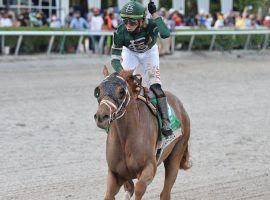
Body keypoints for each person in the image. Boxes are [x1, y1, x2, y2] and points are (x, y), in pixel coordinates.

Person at [111, 0, 173, 137]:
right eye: (125, 21)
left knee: (156, 87)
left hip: (149, 53)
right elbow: (114, 58)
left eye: (132, 22)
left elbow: (165, 34)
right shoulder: (120, 32)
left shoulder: (150, 25)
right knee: (120, 84)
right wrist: (122, 74)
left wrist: (154, 14)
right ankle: (113, 119)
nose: (127, 25)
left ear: (142, 20)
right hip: (130, 53)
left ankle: (165, 121)